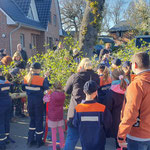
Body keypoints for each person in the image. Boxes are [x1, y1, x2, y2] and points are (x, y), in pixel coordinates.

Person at [64, 58, 100, 150]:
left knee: (71, 139)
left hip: (75, 112)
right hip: (91, 112)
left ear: (80, 66)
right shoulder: (96, 77)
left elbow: (67, 90)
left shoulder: (75, 76)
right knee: (88, 141)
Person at [118, 52, 150, 150]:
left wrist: (121, 135)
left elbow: (130, 113)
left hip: (138, 135)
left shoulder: (137, 85)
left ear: (134, 65)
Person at [73, 80, 112, 150]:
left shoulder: (78, 108)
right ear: (96, 92)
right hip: (99, 142)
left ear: (84, 92)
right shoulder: (102, 108)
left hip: (85, 141)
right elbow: (108, 125)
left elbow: (75, 124)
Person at [23, 62, 50, 148]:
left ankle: (30, 140)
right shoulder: (42, 79)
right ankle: (39, 141)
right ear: (39, 70)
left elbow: (23, 88)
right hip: (39, 103)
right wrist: (46, 77)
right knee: (39, 121)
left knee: (32, 121)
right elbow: (47, 88)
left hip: (30, 103)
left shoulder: (26, 79)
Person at [105, 69, 128, 150]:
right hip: (130, 122)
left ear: (113, 78)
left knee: (119, 145)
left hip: (117, 123)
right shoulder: (131, 88)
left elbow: (108, 109)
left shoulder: (111, 92)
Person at [43, 82, 65, 150]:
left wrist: (47, 93)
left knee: (53, 132)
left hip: (52, 116)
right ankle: (62, 146)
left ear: (54, 88)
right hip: (60, 114)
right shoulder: (63, 95)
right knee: (61, 131)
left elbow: (44, 99)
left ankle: (54, 147)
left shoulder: (51, 95)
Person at [0, 68, 13, 150]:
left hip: (1, 104)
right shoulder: (7, 82)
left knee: (1, 123)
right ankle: (7, 137)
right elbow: (11, 90)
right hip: (8, 103)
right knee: (6, 121)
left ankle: (2, 143)